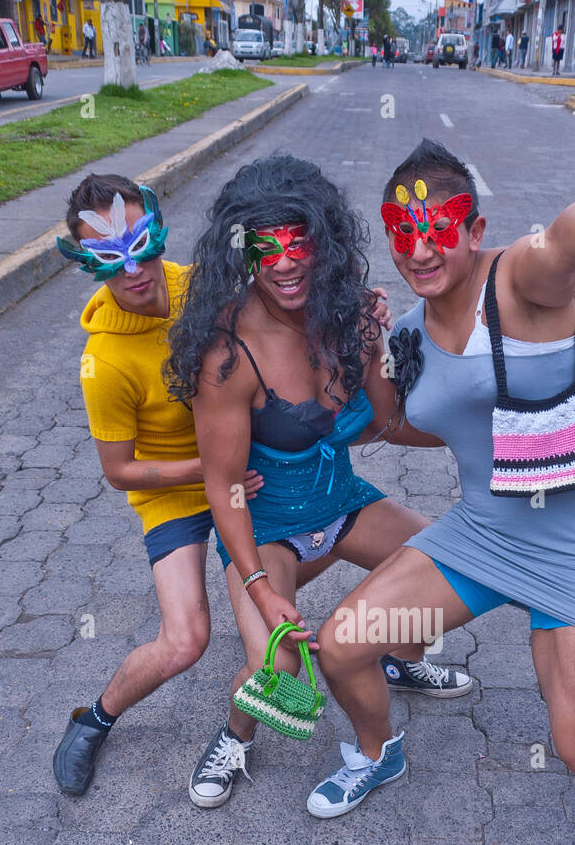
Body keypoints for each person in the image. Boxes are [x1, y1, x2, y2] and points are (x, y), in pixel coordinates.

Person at [306, 137, 575, 819]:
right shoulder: (409, 329)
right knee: (342, 647)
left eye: (439, 230)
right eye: (405, 234)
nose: (420, 250)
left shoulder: (518, 282)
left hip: (566, 551)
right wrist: (371, 360)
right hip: (481, 538)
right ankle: (377, 754)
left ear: (475, 230)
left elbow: (562, 247)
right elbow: (411, 425)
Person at [166, 155, 471, 809]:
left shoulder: (345, 313)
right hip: (267, 531)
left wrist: (476, 427)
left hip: (341, 506)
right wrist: (255, 584)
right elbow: (224, 488)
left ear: (324, 239)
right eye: (264, 246)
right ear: (241, 250)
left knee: (449, 572)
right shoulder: (227, 353)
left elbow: (387, 420)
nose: (283, 262)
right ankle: (234, 737)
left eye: (298, 241)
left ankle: (393, 655)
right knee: (274, 665)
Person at [51, 175, 282, 797]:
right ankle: (94, 720)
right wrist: (208, 471)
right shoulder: (103, 363)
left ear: (158, 232)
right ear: (86, 262)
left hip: (239, 472)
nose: (132, 270)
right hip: (176, 488)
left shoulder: (202, 287)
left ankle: (389, 646)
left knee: (281, 596)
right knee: (185, 640)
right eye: (108, 257)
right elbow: (119, 471)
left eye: (140, 245)